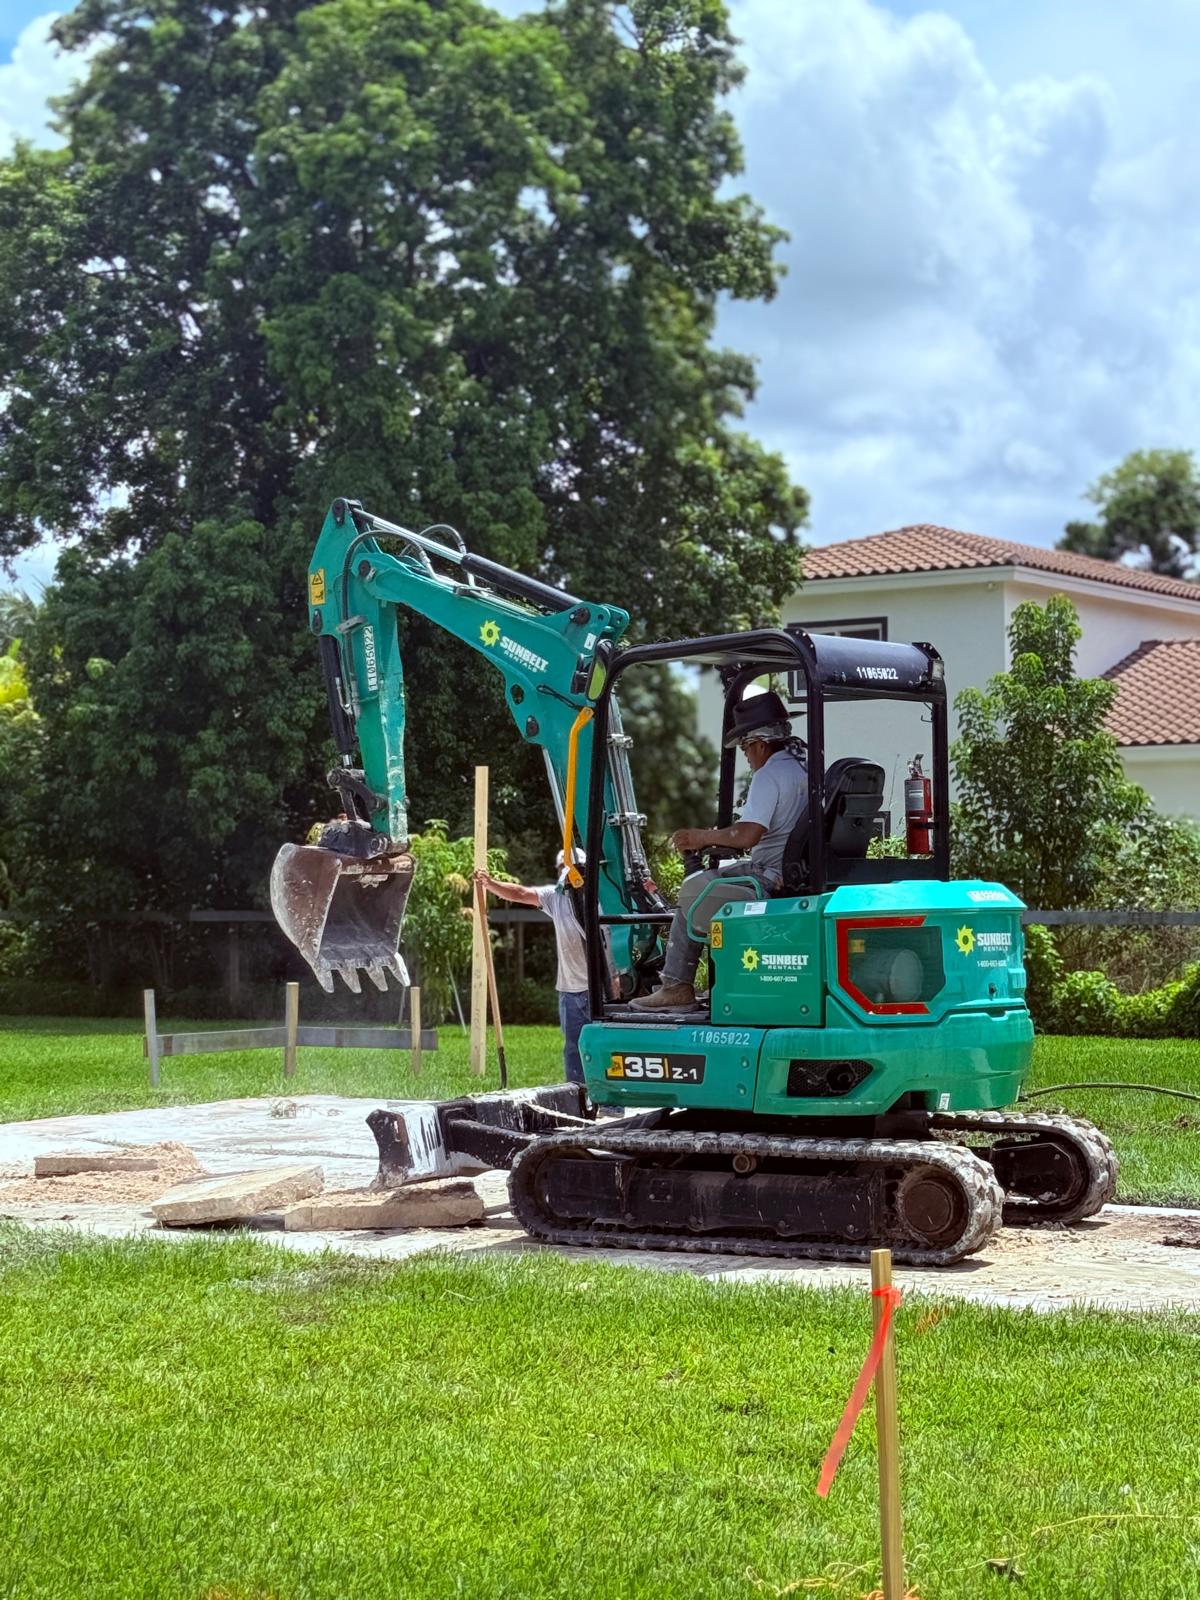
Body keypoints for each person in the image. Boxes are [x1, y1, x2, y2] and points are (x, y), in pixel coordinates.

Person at [631, 690, 808, 1013]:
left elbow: (748, 834)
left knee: (692, 890)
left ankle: (676, 985)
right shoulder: (804, 768)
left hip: (768, 875)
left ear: (759, 743)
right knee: (714, 878)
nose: (747, 757)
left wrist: (699, 837)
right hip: (793, 872)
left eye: (745, 749)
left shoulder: (770, 775)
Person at [474, 851, 590, 1085]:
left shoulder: (598, 900)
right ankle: (577, 1096)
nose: (570, 875)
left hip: (598, 989)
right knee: (573, 1048)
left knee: (598, 1047)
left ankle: (610, 1102)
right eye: (564, 869)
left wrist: (616, 977)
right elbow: (521, 893)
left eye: (577, 869)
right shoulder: (556, 898)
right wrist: (490, 884)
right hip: (570, 989)